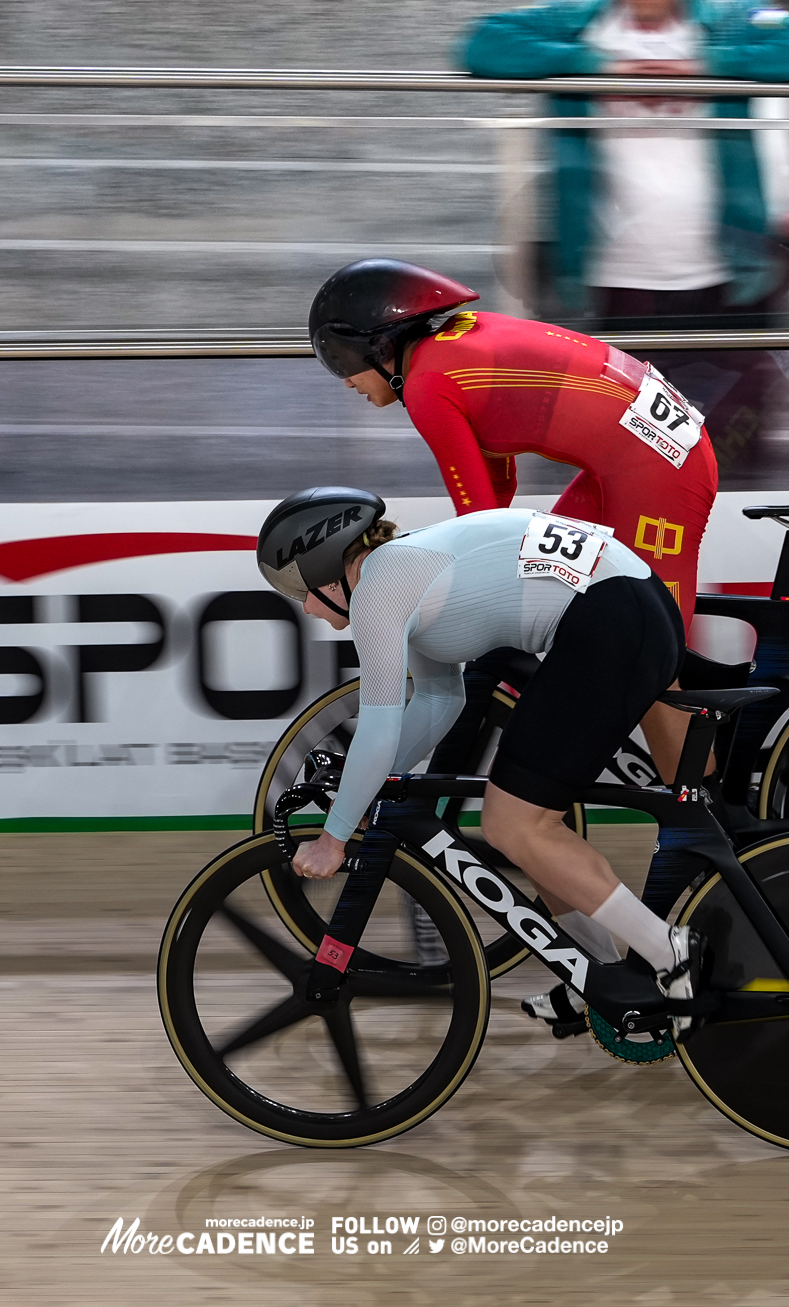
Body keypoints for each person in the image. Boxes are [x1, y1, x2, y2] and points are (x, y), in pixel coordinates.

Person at [257, 486, 701, 1031]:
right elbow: (441, 699)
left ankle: (669, 948)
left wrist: (334, 836)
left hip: (611, 618)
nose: (303, 606)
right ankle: (598, 975)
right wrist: (367, 788)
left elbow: (378, 725)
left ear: (328, 573)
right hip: (633, 601)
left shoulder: (376, 590)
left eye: (300, 590)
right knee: (534, 831)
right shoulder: (400, 571)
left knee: (515, 825)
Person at [309, 256, 714, 778]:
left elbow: (477, 521)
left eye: (341, 361)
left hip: (656, 468)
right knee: (568, 602)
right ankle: (549, 794)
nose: (344, 381)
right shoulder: (448, 352)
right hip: (637, 458)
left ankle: (708, 830)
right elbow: (496, 493)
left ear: (379, 343)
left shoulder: (430, 387)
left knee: (653, 669)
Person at [460, 0, 789, 321]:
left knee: (735, 412)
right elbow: (484, 45)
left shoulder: (731, 21)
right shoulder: (573, 22)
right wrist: (599, 66)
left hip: (735, 271)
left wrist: (705, 67)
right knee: (625, 413)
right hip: (613, 276)